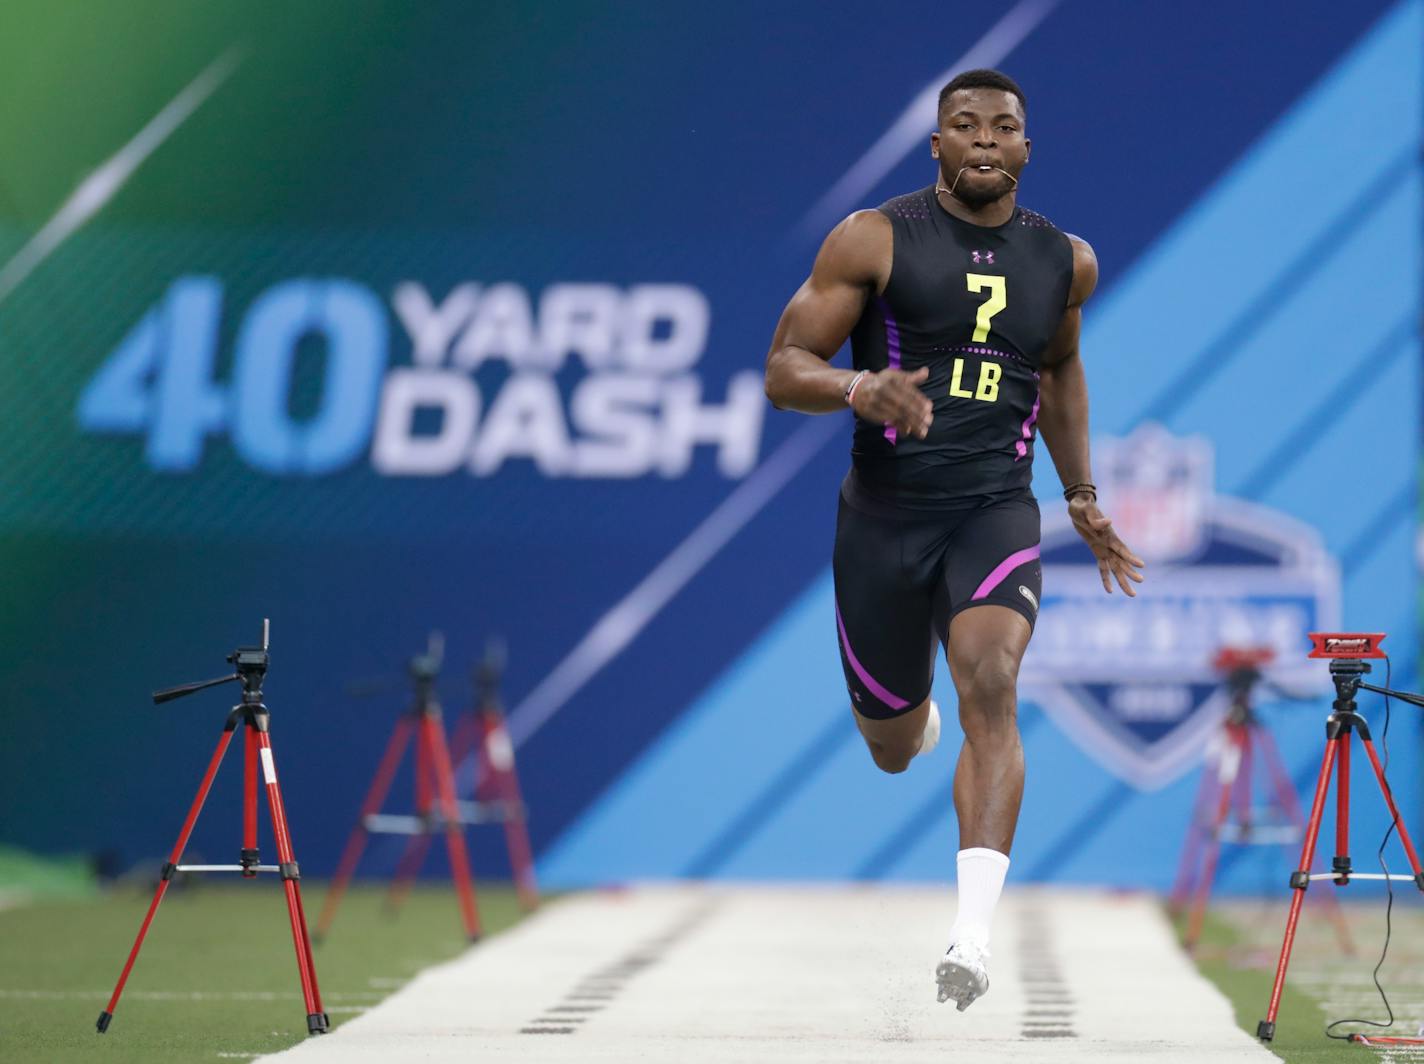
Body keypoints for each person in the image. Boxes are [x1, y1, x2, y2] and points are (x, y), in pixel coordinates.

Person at [762, 68, 1144, 1010]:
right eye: (962, 126)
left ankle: (971, 938)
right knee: (893, 744)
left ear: (1025, 147)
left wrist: (1082, 492)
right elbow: (783, 367)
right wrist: (859, 387)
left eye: (1002, 127)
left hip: (995, 511)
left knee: (994, 678)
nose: (982, 139)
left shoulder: (1068, 261)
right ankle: (910, 720)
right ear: (934, 145)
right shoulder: (875, 238)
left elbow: (1060, 374)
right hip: (885, 520)